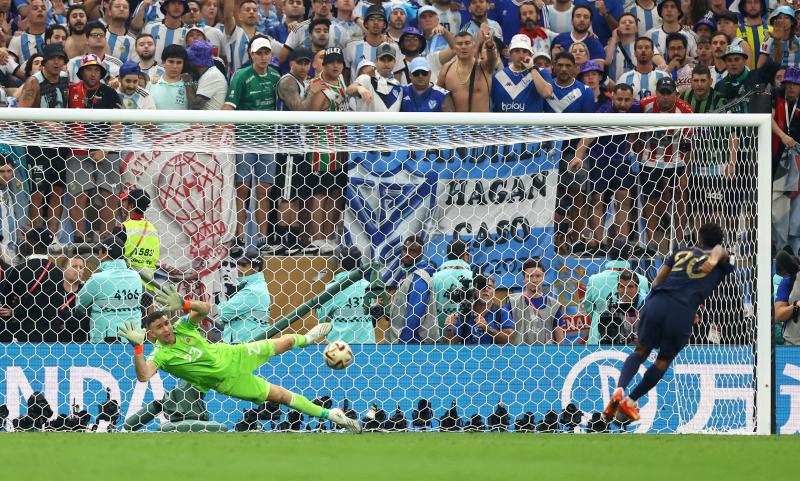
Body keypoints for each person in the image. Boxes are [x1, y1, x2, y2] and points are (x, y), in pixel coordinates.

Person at [117, 292, 361, 433]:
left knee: (283, 343)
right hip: (228, 382)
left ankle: (308, 338)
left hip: (234, 354)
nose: (167, 328)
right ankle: (333, 415)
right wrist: (137, 348)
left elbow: (205, 308)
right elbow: (143, 376)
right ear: (152, 334)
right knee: (281, 396)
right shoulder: (159, 354)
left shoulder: (183, 326)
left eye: (166, 323)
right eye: (160, 327)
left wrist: (184, 304)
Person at [602, 223, 733, 422]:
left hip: (657, 303)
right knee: (662, 361)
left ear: (699, 237)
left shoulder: (681, 252)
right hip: (682, 311)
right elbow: (723, 253)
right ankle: (630, 403)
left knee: (640, 351)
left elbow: (656, 282)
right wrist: (714, 258)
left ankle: (619, 389)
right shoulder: (723, 259)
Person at [224, 36, 280, 251]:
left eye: (267, 52)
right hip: (244, 139)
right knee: (243, 188)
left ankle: (262, 240)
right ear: (251, 54)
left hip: (268, 140)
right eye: (259, 53)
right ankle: (239, 237)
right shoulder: (241, 76)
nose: (263, 57)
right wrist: (214, 130)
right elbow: (229, 106)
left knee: (264, 189)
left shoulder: (277, 76)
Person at [67, 54, 123, 242]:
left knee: (110, 195)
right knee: (78, 196)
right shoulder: (70, 91)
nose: (93, 73)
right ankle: (80, 242)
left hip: (107, 151)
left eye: (96, 70)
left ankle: (106, 242)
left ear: (101, 73)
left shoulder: (110, 93)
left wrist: (104, 149)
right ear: (81, 72)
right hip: (77, 149)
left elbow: (118, 124)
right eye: (89, 69)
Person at [17, 44, 70, 241]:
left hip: (60, 144)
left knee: (58, 189)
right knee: (38, 190)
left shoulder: (66, 79)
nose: (57, 62)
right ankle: (36, 237)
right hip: (38, 145)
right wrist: (46, 122)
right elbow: (22, 112)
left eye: (60, 58)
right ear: (45, 62)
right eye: (52, 58)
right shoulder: (34, 82)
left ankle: (53, 238)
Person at [303, 46, 349, 255]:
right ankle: (317, 239)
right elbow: (310, 122)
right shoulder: (318, 87)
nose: (336, 65)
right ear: (323, 64)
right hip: (320, 150)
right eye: (331, 61)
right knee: (320, 194)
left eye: (339, 61)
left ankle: (329, 238)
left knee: (336, 193)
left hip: (339, 149)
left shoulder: (341, 82)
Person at [638, 76, 693, 251]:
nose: (666, 97)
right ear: (656, 93)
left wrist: (686, 173)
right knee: (650, 199)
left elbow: (690, 144)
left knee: (680, 198)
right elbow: (636, 134)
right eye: (662, 92)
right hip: (650, 160)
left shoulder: (684, 110)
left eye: (670, 93)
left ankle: (679, 241)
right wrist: (638, 157)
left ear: (675, 94)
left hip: (676, 160)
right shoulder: (644, 105)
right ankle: (651, 242)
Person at [0, 227, 64, 342]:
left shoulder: (19, 270)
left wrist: (14, 312)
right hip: (52, 332)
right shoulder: (59, 272)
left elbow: (6, 301)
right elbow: (60, 302)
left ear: (30, 243)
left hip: (26, 332)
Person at [75, 236, 143, 343]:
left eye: (99, 251)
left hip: (105, 342)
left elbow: (79, 305)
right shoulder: (136, 277)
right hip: (134, 341)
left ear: (104, 253)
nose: (98, 254)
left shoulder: (98, 278)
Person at [584, 245, 650, 345]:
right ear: (629, 255)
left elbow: (588, 307)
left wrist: (600, 315)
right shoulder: (643, 280)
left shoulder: (594, 279)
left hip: (599, 336)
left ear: (609, 253)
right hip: (633, 338)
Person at [317, 246, 376, 343]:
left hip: (339, 345)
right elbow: (372, 316)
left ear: (340, 263)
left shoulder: (332, 288)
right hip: (367, 343)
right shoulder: (369, 286)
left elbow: (322, 318)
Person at [386, 235, 438, 344]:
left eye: (413, 251)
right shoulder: (408, 274)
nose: (407, 254)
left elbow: (414, 316)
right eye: (405, 250)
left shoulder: (420, 278)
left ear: (421, 253)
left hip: (410, 345)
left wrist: (403, 346)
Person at [506, 258, 564, 345]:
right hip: (519, 355)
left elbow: (560, 341)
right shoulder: (512, 302)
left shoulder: (553, 305)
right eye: (529, 276)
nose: (534, 280)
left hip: (546, 356)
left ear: (543, 278)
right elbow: (505, 334)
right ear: (523, 279)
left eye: (538, 276)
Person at [444, 274, 513, 345]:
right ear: (474, 290)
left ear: (494, 291)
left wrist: (487, 328)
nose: (486, 289)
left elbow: (510, 340)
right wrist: (449, 328)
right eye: (481, 286)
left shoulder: (502, 313)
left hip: (494, 355)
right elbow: (450, 344)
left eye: (489, 286)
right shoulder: (464, 315)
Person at [490, 34, 552, 113]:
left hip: (532, 125)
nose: (521, 55)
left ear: (530, 54)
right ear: (510, 53)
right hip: (505, 125)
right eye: (517, 51)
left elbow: (546, 93)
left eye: (525, 51)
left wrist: (532, 69)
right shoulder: (497, 76)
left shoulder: (542, 72)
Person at [438, 29, 497, 112]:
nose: (463, 47)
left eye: (467, 43)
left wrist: (490, 48)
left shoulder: (483, 66)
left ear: (473, 46)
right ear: (454, 47)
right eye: (459, 44)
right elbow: (437, 96)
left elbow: (492, 60)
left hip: (481, 123)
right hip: (456, 123)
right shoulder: (447, 68)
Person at [218, 253, 271, 343]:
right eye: (238, 264)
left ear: (256, 268)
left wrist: (222, 306)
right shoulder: (254, 286)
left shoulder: (252, 290)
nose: (238, 268)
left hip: (247, 341)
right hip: (248, 340)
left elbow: (223, 312)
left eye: (244, 265)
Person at [347, 42, 402, 112]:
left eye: (390, 60)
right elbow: (349, 90)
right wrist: (359, 88)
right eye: (382, 59)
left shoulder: (398, 86)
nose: (386, 63)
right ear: (376, 61)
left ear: (394, 62)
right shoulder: (366, 78)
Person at [431, 239, 473, 331]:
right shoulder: (473, 277)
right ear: (465, 255)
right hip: (467, 337)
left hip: (439, 338)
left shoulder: (435, 278)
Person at [616, 37, 669, 101]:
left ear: (653, 53)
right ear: (635, 53)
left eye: (647, 47)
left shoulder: (664, 76)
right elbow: (616, 102)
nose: (643, 50)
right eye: (640, 48)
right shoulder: (624, 78)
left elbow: (673, 100)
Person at [184, 39, 227, 110]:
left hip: (213, 120)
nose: (189, 62)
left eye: (190, 59)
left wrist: (187, 83)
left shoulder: (211, 75)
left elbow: (195, 106)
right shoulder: (208, 73)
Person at [57, 255, 89, 342]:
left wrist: (62, 316)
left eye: (81, 267)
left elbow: (87, 321)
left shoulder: (87, 292)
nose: (79, 270)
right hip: (57, 345)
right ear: (63, 269)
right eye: (74, 266)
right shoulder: (54, 291)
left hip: (83, 344)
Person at [148, 44, 189, 110]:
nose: (175, 66)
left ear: (183, 64)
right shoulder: (151, 85)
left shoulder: (189, 88)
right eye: (171, 61)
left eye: (179, 62)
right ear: (163, 62)